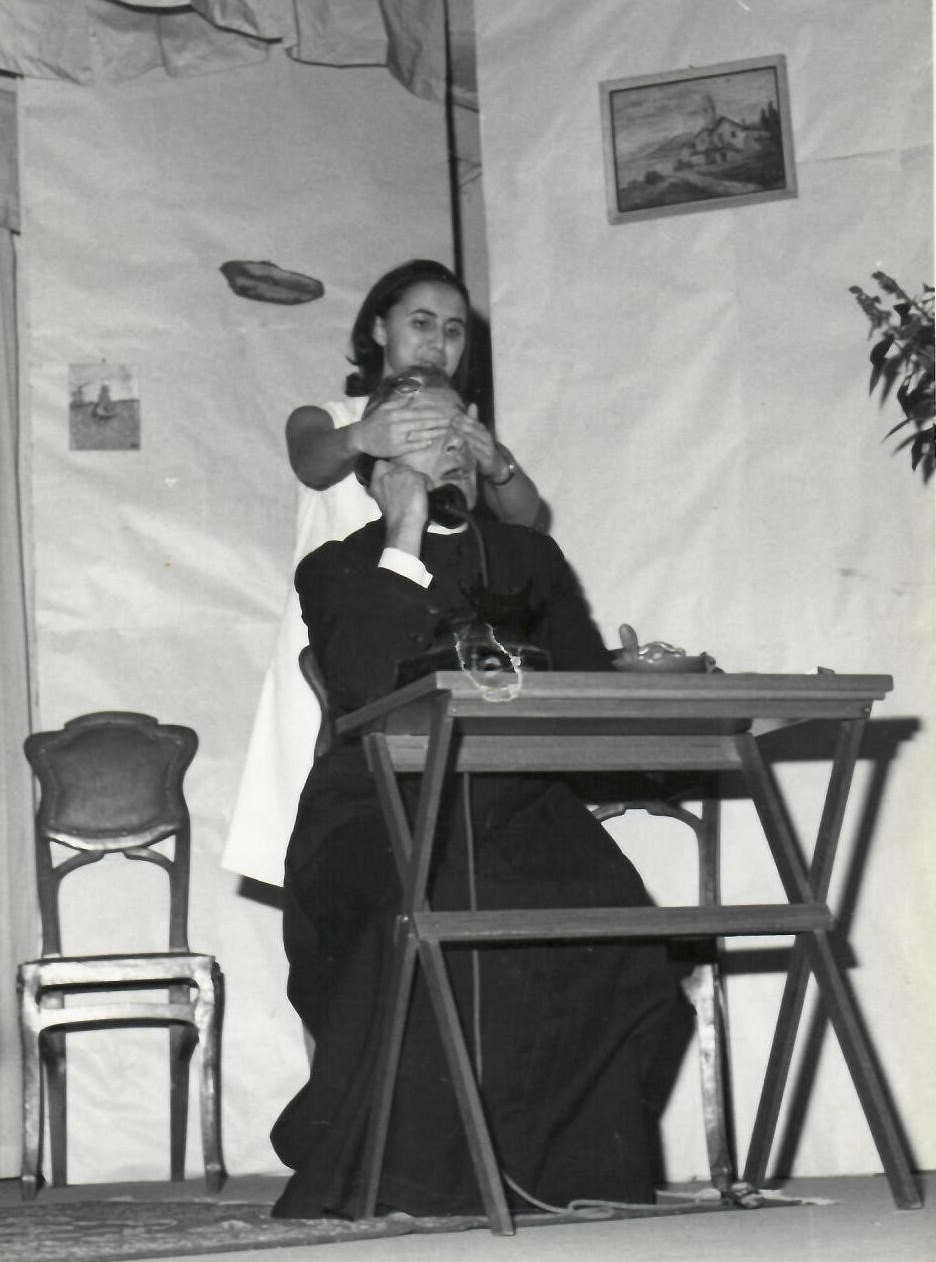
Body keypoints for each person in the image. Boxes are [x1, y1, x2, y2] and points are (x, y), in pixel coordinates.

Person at [270, 367, 694, 1220]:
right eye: (426, 436)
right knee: (457, 890)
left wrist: (637, 678)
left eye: (461, 432)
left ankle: (570, 1171)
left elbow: (579, 683)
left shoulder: (527, 556)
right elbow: (369, 686)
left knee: (615, 914)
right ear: (380, 467)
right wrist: (403, 532)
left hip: (514, 793)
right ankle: (417, 1173)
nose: (453, 449)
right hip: (379, 806)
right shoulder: (337, 567)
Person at [222, 260, 543, 888]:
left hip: (428, 638)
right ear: (378, 329)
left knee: (428, 841)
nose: (437, 342)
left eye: (453, 330)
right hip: (337, 643)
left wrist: (495, 461)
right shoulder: (327, 416)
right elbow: (313, 463)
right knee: (323, 838)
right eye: (420, 323)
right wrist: (364, 435)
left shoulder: (462, 426)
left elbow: (527, 519)